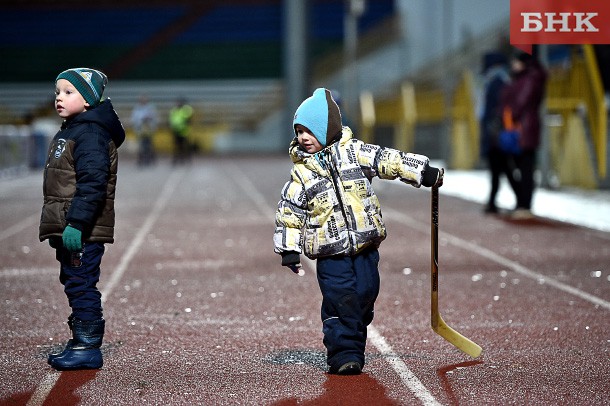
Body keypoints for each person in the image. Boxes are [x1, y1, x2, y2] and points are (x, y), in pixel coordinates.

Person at [273, 88, 442, 375]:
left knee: (365, 293)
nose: (303, 137)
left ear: (328, 130)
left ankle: (355, 320)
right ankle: (344, 355)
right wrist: (289, 249)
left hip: (365, 246)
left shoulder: (354, 153)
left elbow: (388, 159)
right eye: (299, 131)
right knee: (341, 300)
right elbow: (289, 213)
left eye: (309, 131)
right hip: (329, 253)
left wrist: (421, 171)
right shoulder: (302, 174)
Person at [39, 68, 125, 370]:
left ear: (88, 100)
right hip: (70, 225)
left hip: (82, 229)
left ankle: (87, 346)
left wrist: (76, 223)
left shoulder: (90, 134)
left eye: (68, 92)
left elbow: (93, 182)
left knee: (81, 283)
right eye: (57, 92)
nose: (59, 98)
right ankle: (79, 339)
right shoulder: (74, 129)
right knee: (73, 280)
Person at [500, 51, 547, 219]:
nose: (513, 65)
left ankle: (525, 204)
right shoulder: (524, 78)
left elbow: (520, 102)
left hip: (524, 129)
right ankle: (522, 202)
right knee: (519, 166)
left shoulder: (530, 78)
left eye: (516, 62)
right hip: (521, 128)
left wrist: (510, 112)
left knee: (525, 168)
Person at [479, 52, 518, 214]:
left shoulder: (496, 83)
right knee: (501, 168)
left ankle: (496, 201)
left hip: (496, 133)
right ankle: (495, 201)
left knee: (500, 168)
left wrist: (493, 128)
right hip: (496, 132)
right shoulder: (499, 81)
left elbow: (496, 110)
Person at [130, 94, 158, 166]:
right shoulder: (137, 108)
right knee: (141, 146)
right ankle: (141, 160)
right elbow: (134, 119)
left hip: (148, 129)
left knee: (149, 145)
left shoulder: (150, 108)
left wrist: (151, 124)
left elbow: (154, 118)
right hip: (140, 130)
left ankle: (150, 160)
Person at [168, 97, 193, 164]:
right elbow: (171, 120)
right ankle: (177, 159)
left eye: (179, 102)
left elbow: (188, 119)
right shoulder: (174, 110)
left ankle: (186, 158)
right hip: (175, 131)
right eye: (177, 102)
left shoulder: (185, 110)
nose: (177, 104)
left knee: (184, 145)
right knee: (176, 146)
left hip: (183, 131)